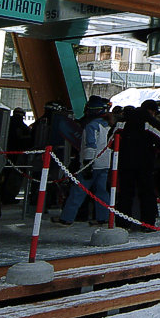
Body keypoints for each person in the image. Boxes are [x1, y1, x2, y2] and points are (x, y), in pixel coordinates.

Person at [53, 97, 113, 227]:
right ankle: (103, 217)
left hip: (91, 163)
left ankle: (67, 217)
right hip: (104, 163)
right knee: (102, 192)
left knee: (78, 191)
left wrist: (87, 163)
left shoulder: (91, 126)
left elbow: (90, 145)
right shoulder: (108, 125)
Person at [116, 100, 160, 232]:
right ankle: (147, 224)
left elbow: (111, 140)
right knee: (147, 193)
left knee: (125, 194)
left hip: (124, 163)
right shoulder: (150, 122)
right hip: (145, 164)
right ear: (152, 111)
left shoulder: (124, 120)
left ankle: (122, 224)